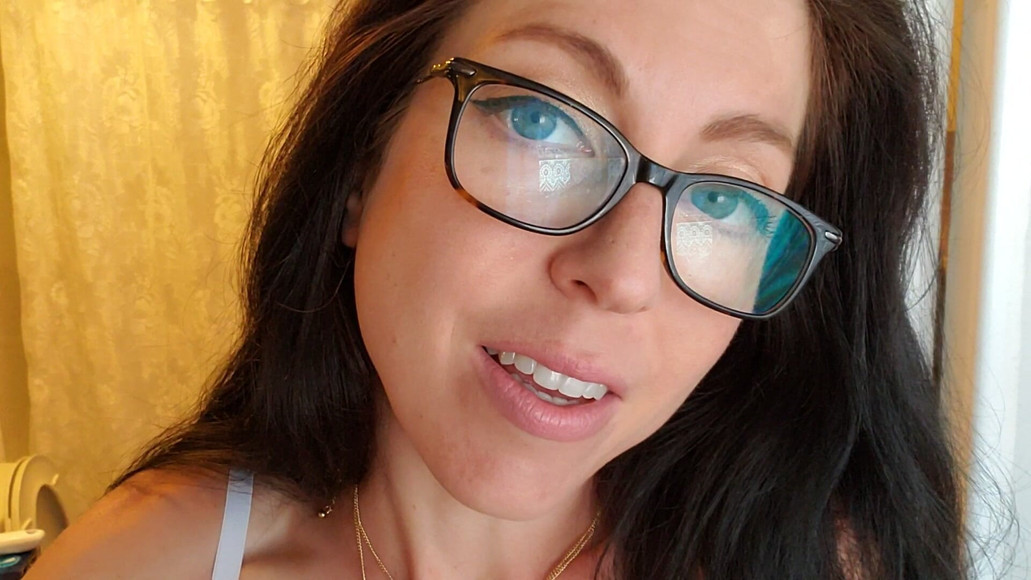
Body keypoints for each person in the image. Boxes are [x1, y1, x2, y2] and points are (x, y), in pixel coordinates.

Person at [27, 0, 967, 577]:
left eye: (726, 199)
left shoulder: (813, 561)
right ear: (359, 162)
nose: (620, 275)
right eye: (540, 121)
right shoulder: (146, 561)